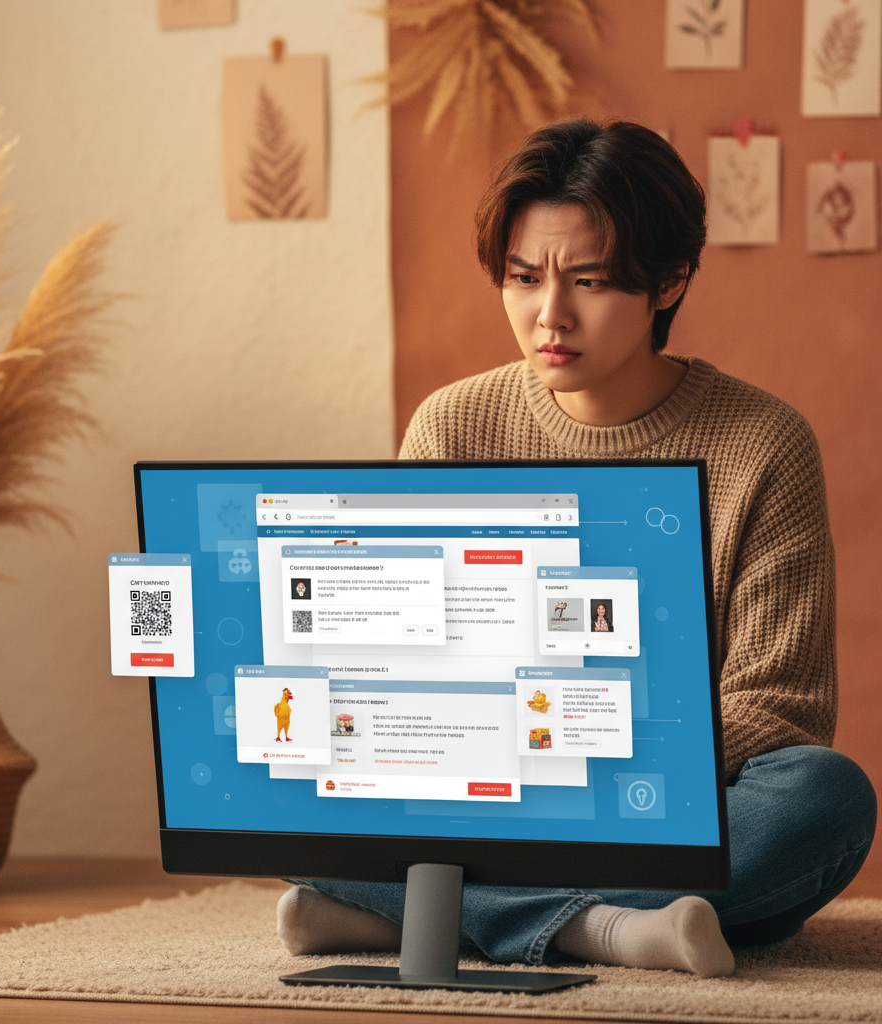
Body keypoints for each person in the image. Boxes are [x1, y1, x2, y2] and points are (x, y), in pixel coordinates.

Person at [276, 119, 877, 978]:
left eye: (588, 281)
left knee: (822, 798)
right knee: (287, 768)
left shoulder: (763, 444)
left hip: (659, 801)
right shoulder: (453, 426)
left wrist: (592, 760)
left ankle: (421, 913)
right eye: (524, 278)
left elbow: (779, 706)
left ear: (669, 281)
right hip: (477, 788)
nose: (548, 315)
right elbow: (401, 675)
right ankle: (608, 928)